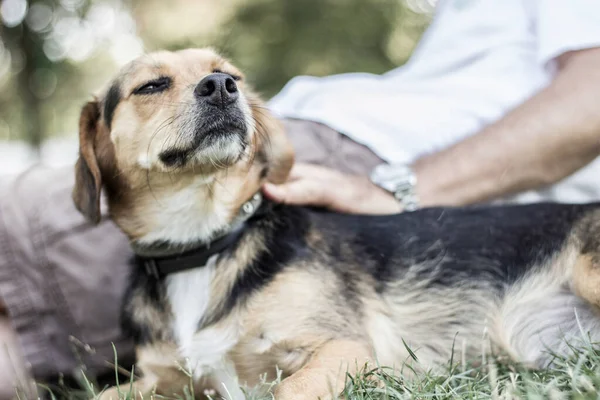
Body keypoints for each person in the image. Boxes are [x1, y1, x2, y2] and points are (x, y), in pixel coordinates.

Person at [2, 0, 600, 397]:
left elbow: (344, 353)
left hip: (371, 167)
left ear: (261, 140)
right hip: (213, 233)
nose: (218, 89)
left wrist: (402, 185)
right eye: (156, 86)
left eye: (226, 80)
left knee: (16, 222)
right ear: (96, 147)